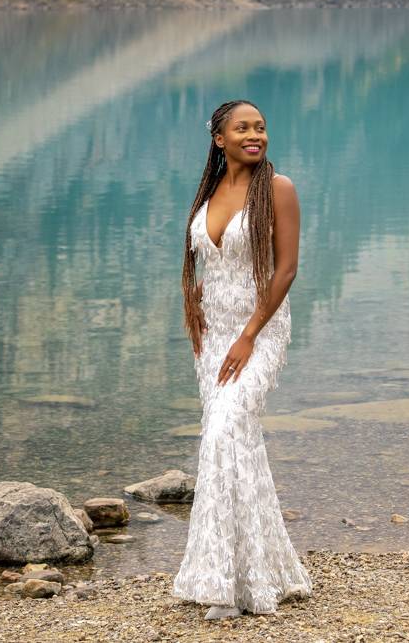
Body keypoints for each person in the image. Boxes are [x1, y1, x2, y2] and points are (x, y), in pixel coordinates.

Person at [170, 99, 313, 618]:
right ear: (219, 139)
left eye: (261, 127)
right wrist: (197, 303)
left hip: (259, 329)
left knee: (226, 431)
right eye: (243, 127)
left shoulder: (278, 189)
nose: (255, 134)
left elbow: (286, 269)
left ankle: (221, 584)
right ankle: (260, 574)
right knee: (235, 445)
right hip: (214, 334)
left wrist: (251, 333)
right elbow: (215, 259)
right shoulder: (210, 191)